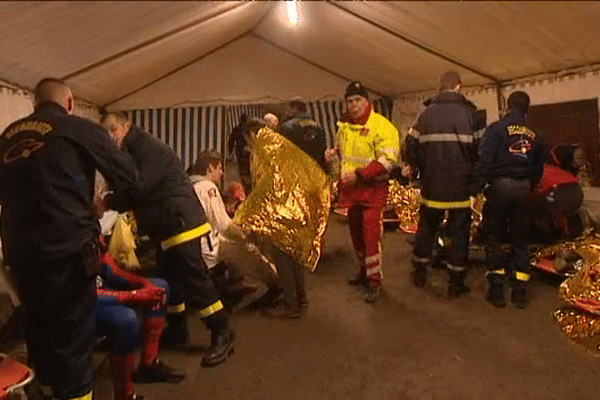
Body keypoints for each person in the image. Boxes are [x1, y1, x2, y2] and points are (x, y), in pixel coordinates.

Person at [0, 78, 140, 400]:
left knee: (40, 335)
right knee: (75, 346)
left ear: (35, 104)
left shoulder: (8, 136)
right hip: (68, 254)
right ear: (70, 102)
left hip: (21, 256)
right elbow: (130, 177)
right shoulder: (78, 128)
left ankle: (48, 388)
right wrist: (104, 204)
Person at [101, 111, 234, 367]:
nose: (109, 136)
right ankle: (177, 329)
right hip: (167, 224)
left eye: (113, 129)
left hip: (179, 223)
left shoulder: (147, 148)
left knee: (195, 280)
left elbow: (140, 187)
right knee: (168, 281)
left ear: (127, 126)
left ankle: (222, 330)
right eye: (105, 131)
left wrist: (109, 202)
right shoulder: (133, 149)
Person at [404, 71, 479, 299]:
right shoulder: (471, 115)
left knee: (426, 229)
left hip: (432, 186)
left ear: (440, 87)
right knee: (459, 234)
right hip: (461, 188)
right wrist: (476, 181)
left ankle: (419, 272)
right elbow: (482, 151)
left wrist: (416, 168)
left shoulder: (425, 116)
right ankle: (455, 281)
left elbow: (410, 145)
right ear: (459, 87)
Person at [469, 91, 545, 309]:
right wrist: (530, 185)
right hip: (523, 190)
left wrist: (475, 188)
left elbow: (485, 160)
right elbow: (538, 167)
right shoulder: (537, 134)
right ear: (526, 108)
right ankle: (520, 292)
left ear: (508, 105)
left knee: (494, 237)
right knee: (520, 239)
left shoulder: (496, 129)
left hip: (500, 188)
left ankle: (496, 290)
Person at [325, 81, 400, 303]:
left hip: (373, 192)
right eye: (349, 101)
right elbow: (346, 151)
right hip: (352, 193)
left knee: (370, 236)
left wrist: (360, 174)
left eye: (357, 100)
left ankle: (374, 282)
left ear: (367, 101)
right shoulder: (345, 127)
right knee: (356, 235)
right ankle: (363, 271)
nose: (353, 105)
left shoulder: (383, 126)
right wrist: (333, 153)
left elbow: (388, 161)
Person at [96, 240, 184, 400]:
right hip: (80, 304)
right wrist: (133, 296)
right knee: (125, 320)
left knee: (158, 287)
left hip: (101, 291)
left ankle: (149, 365)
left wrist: (142, 283)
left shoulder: (90, 227)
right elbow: (79, 296)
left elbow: (111, 270)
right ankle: (126, 395)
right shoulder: (64, 237)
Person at [188, 150, 261, 310]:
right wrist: (245, 233)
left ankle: (233, 282)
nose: (221, 173)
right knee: (247, 248)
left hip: (191, 247)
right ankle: (245, 287)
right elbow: (223, 225)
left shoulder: (189, 185)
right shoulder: (207, 187)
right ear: (209, 168)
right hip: (206, 249)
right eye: (219, 168)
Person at [532, 144, 585, 243]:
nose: (580, 163)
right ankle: (573, 241)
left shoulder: (544, 169)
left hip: (554, 194)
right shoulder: (566, 173)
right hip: (575, 192)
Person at [228, 114, 252, 193]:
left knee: (242, 172)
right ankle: (248, 188)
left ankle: (244, 186)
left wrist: (230, 151)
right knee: (249, 172)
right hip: (248, 153)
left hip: (239, 153)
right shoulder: (248, 130)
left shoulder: (236, 129)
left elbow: (231, 141)